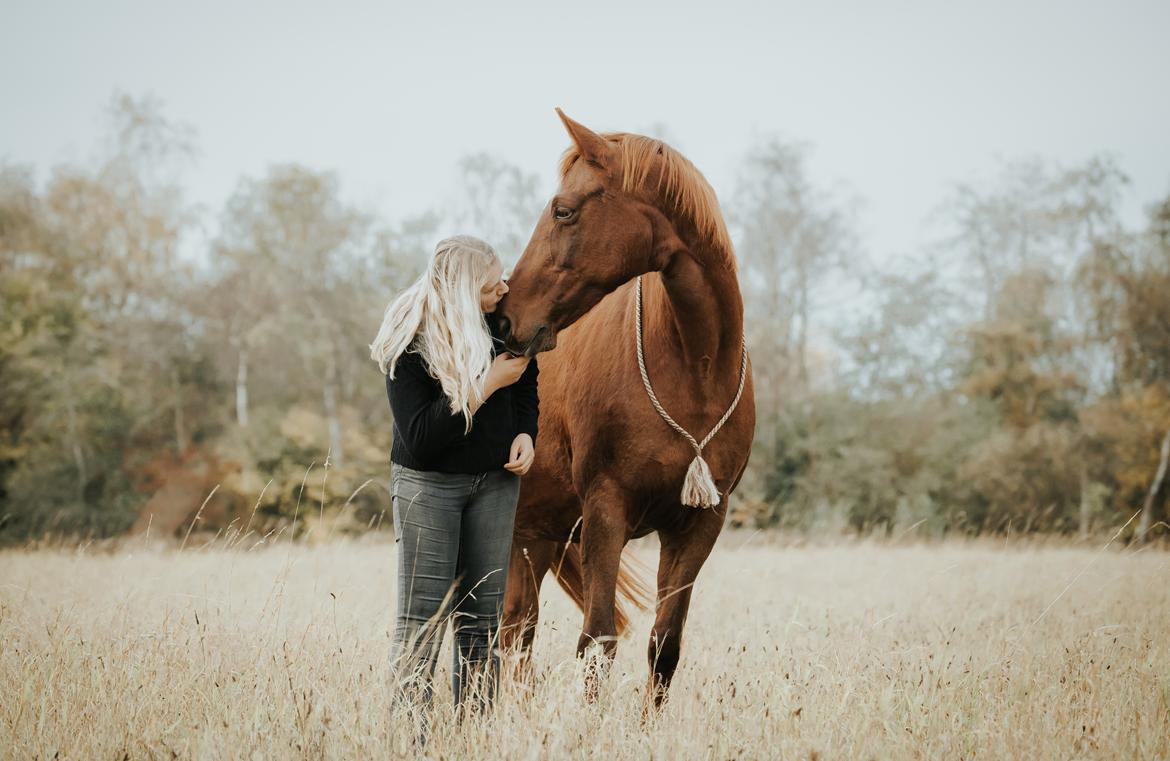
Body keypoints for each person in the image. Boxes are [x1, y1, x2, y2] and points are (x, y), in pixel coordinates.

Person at [369, 235, 538, 723]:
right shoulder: (410, 339)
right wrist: (485, 385)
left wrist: (527, 430)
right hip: (429, 487)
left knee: (482, 621)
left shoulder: (500, 322)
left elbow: (526, 375)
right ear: (464, 291)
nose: (504, 289)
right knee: (422, 621)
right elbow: (421, 439)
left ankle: (474, 740)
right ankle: (411, 743)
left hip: (495, 485)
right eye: (490, 285)